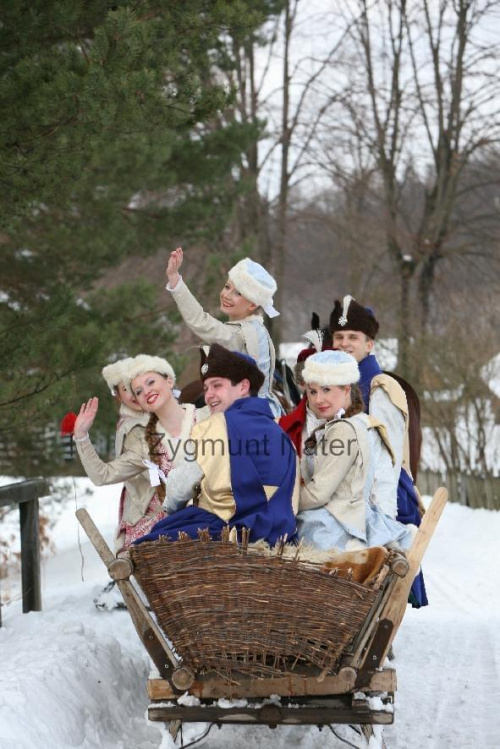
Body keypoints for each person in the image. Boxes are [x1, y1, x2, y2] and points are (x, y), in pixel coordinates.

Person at [135, 344, 299, 546]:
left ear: (243, 387)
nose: (208, 395)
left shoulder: (216, 425)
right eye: (206, 388)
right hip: (279, 534)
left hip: (232, 530)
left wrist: (170, 507)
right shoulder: (281, 433)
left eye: (217, 385)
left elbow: (181, 486)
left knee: (154, 537)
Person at [329, 295, 427, 606]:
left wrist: (380, 514)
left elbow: (389, 459)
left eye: (353, 338)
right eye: (339, 337)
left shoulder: (380, 387)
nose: (345, 344)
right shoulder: (332, 384)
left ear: (369, 344)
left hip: (380, 491)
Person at [73, 355, 209, 552]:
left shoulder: (207, 417)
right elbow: (103, 475)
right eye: (138, 391)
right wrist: (82, 436)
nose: (147, 391)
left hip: (216, 517)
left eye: (151, 382)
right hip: (174, 525)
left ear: (169, 380)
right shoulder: (142, 442)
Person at [296, 350, 414, 553]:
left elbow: (319, 494)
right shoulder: (358, 423)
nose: (318, 399)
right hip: (349, 517)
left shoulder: (343, 429)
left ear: (346, 389)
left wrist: (284, 503)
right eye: (313, 392)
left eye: (326, 389)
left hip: (333, 524)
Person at [165, 246, 284, 416]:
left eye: (238, 293)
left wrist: (175, 279)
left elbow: (200, 321)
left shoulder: (237, 334)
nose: (227, 295)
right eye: (227, 287)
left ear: (253, 305)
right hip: (266, 410)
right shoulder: (258, 329)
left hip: (243, 413)